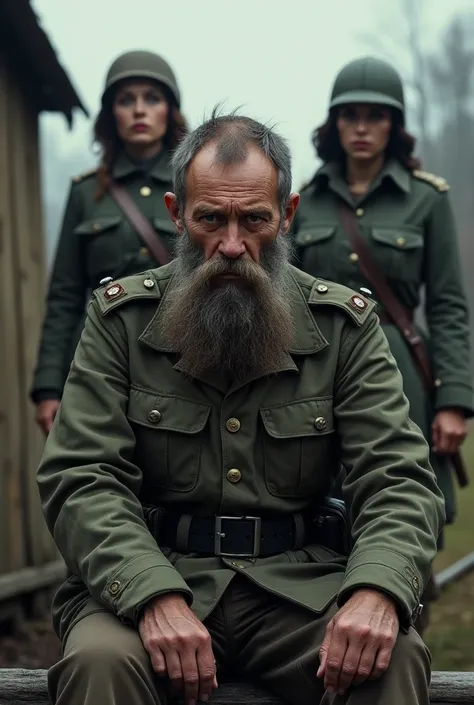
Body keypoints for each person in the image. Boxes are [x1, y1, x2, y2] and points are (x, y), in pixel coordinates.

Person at [37, 111, 445, 705]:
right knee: (99, 662)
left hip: (299, 589)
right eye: (211, 219)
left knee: (391, 658)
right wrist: (151, 594)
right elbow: (81, 477)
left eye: (254, 219)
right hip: (152, 577)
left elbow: (399, 478)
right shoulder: (120, 320)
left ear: (288, 215)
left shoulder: (344, 326)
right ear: (177, 214)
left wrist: (378, 590)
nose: (232, 245)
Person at [291, 56, 473, 631]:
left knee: (401, 501)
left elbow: (447, 305)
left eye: (376, 116)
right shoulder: (305, 200)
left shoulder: (427, 198)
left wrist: (454, 401)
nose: (362, 128)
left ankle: (403, 630)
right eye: (351, 116)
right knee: (322, 509)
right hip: (315, 377)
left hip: (402, 377)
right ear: (334, 124)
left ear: (395, 126)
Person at [31, 49, 187, 434]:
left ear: (170, 111)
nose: (139, 110)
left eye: (152, 98)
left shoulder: (193, 187)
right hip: (101, 363)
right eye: (125, 100)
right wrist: (49, 387)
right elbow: (65, 296)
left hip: (181, 361)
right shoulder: (87, 193)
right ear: (110, 115)